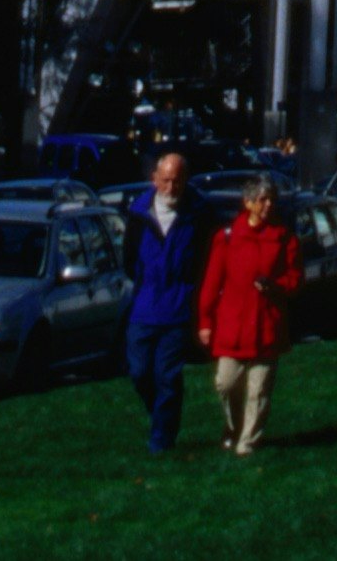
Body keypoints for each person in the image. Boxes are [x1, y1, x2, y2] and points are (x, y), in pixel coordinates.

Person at [198, 174, 304, 457]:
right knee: (226, 382)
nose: (268, 205)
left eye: (271, 199)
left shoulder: (283, 239)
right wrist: (205, 322)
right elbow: (212, 283)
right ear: (248, 203)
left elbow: (295, 280)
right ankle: (233, 427)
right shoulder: (228, 238)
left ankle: (248, 443)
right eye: (262, 200)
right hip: (233, 326)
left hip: (267, 326)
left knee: (259, 391)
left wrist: (276, 285)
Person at [121, 150, 207, 455]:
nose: (171, 189)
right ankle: (161, 417)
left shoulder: (197, 214)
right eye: (166, 181)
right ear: (154, 180)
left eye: (177, 181)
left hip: (177, 308)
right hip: (144, 307)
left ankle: (161, 441)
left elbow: (202, 261)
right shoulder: (138, 213)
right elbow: (129, 260)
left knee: (167, 376)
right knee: (140, 372)